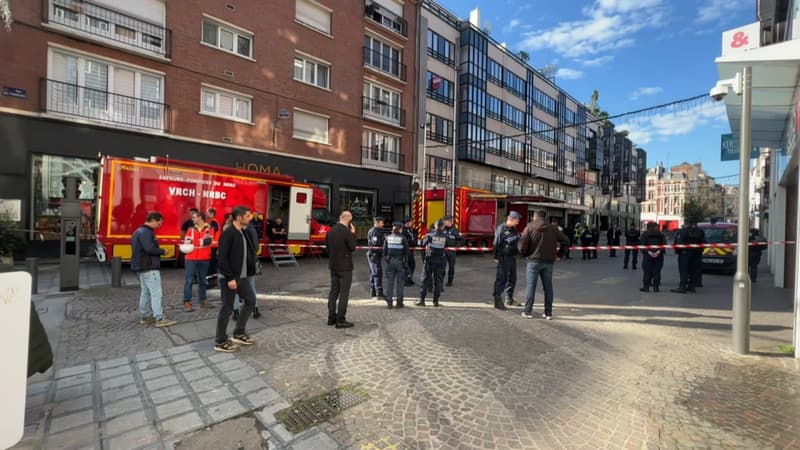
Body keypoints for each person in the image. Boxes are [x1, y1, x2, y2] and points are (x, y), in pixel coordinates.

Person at [214, 205, 257, 353]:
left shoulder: (243, 232)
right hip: (230, 278)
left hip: (242, 277)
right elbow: (222, 257)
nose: (249, 218)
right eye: (247, 216)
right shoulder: (229, 233)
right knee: (227, 308)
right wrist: (229, 277)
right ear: (239, 217)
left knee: (251, 300)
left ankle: (239, 332)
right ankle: (220, 341)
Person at [518, 210, 570, 320]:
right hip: (549, 262)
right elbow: (566, 241)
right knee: (548, 287)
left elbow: (522, 244)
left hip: (533, 261)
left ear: (534, 216)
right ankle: (548, 313)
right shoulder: (553, 228)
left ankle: (528, 312)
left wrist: (524, 254)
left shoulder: (529, 227)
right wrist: (559, 254)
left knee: (531, 287)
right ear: (545, 217)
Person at [131, 212, 176, 328]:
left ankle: (145, 316)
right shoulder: (146, 232)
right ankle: (159, 318)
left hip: (142, 266)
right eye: (160, 222)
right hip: (149, 266)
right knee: (156, 293)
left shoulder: (138, 231)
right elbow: (150, 249)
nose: (160, 225)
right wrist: (163, 251)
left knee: (145, 292)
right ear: (154, 220)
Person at [326, 211, 357, 328]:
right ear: (349, 220)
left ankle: (331, 318)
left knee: (333, 292)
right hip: (345, 267)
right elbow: (352, 247)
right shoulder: (347, 232)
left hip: (333, 266)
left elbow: (327, 249)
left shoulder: (330, 231)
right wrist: (353, 234)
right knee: (344, 294)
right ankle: (340, 320)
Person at [182, 211, 216, 312]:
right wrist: (201, 241)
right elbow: (187, 241)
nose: (192, 219)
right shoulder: (190, 229)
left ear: (200, 217)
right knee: (189, 281)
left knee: (202, 281)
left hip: (204, 258)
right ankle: (187, 302)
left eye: (194, 217)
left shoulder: (210, 228)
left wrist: (196, 242)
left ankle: (203, 301)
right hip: (191, 258)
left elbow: (208, 242)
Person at [233, 213, 262, 321]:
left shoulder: (234, 230)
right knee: (251, 286)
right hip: (249, 263)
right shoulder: (252, 229)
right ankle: (255, 309)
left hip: (237, 264)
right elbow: (256, 246)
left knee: (235, 288)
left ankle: (235, 312)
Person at [493, 211, 522, 310]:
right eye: (516, 221)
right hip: (504, 257)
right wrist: (496, 257)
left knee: (512, 278)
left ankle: (509, 299)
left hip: (512, 257)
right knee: (501, 279)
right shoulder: (501, 229)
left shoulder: (514, 229)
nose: (517, 223)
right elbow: (496, 243)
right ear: (511, 219)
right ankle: (497, 301)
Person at [418, 219, 448, 307]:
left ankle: (422, 300)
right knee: (438, 281)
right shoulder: (445, 236)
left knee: (425, 279)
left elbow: (422, 244)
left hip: (430, 260)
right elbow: (448, 245)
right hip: (440, 260)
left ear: (435, 226)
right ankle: (436, 301)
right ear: (443, 227)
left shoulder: (429, 235)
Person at [671, 221, 704, 294]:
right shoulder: (700, 232)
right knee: (693, 270)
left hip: (684, 253)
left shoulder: (683, 231)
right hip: (696, 254)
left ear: (686, 224)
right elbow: (703, 243)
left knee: (683, 270)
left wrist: (679, 251)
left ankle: (682, 287)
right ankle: (691, 286)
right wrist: (699, 252)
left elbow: (678, 242)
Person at [383, 221, 410, 309]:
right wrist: (405, 263)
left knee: (390, 283)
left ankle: (389, 303)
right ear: (400, 229)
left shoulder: (388, 238)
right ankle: (399, 303)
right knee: (400, 283)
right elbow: (407, 252)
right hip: (400, 262)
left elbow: (384, 251)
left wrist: (388, 260)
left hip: (390, 262)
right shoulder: (403, 238)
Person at [640, 222, 667, 292]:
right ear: (656, 227)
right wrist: (658, 252)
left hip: (647, 256)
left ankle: (646, 287)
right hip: (659, 256)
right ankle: (656, 287)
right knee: (657, 271)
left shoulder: (645, 234)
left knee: (647, 272)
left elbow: (642, 245)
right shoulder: (661, 234)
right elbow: (664, 245)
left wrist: (650, 253)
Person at [441, 215, 464, 286]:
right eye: (444, 221)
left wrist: (456, 246)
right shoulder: (443, 229)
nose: (444, 222)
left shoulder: (455, 230)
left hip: (451, 252)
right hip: (443, 251)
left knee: (451, 267)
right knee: (442, 267)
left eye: (445, 221)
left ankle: (450, 282)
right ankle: (440, 281)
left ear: (449, 221)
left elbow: (462, 240)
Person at [366, 216, 386, 299]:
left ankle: (373, 291)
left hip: (375, 255)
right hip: (374, 255)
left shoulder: (378, 230)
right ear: (377, 223)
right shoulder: (374, 231)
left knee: (373, 273)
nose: (383, 224)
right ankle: (378, 293)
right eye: (381, 222)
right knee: (377, 273)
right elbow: (374, 245)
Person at [401, 216, 417, 286]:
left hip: (410, 250)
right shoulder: (403, 231)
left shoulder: (410, 230)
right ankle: (406, 280)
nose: (412, 223)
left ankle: (409, 278)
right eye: (411, 222)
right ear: (407, 223)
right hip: (406, 251)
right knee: (407, 266)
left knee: (412, 265)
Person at [207, 208, 220, 289]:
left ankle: (210, 282)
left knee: (210, 264)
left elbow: (211, 232)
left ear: (212, 214)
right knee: (213, 263)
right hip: (215, 245)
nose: (207, 214)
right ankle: (214, 280)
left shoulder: (213, 222)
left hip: (212, 245)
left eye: (208, 213)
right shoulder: (215, 221)